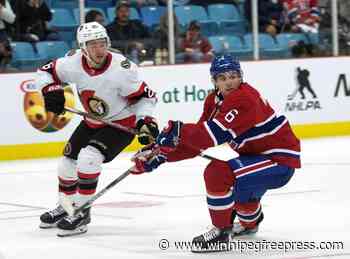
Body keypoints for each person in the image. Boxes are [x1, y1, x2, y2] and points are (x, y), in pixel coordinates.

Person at [131, 55, 301, 252]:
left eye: (233, 76)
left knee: (218, 172)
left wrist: (177, 131)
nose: (229, 81)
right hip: (254, 158)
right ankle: (250, 223)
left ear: (241, 77)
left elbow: (212, 134)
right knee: (241, 200)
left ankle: (221, 233)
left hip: (278, 161)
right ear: (214, 81)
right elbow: (196, 143)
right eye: (222, 78)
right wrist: (159, 154)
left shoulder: (245, 98)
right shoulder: (213, 100)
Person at [35, 22, 159, 237]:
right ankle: (66, 207)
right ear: (83, 47)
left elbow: (146, 97)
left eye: (102, 44)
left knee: (89, 157)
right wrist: (50, 90)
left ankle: (81, 213)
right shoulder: (72, 63)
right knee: (67, 164)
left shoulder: (122, 69)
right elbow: (46, 72)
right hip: (93, 120)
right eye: (93, 45)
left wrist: (145, 120)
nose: (99, 50)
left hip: (121, 122)